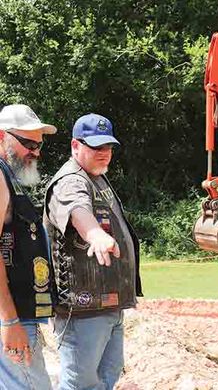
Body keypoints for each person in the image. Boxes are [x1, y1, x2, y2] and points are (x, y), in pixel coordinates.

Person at [44, 113, 142, 390]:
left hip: (108, 305)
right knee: (81, 385)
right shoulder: (70, 181)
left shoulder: (95, 177)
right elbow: (77, 209)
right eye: (96, 147)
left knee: (104, 381)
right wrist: (95, 234)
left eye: (108, 147)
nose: (105, 153)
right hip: (83, 309)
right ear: (76, 146)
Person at [0, 104, 57, 389]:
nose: (35, 151)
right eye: (27, 143)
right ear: (1, 136)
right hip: (10, 317)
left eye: (38, 145)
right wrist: (9, 321)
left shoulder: (9, 178)